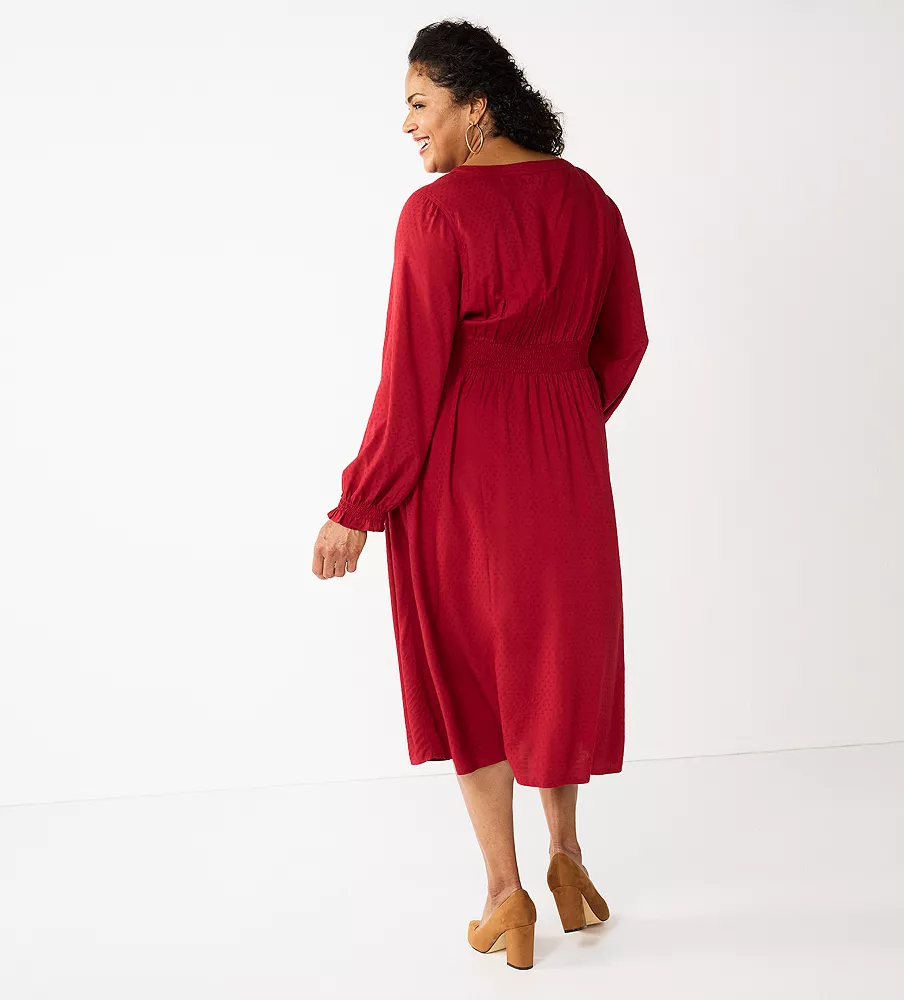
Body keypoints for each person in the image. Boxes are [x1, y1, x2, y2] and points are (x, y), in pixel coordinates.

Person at [311, 19, 648, 970]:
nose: (408, 125)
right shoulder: (589, 201)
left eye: (421, 104)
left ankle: (507, 895)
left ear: (476, 106)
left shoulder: (438, 214)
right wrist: (564, 420)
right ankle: (569, 861)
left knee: (474, 671)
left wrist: (357, 505)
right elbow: (624, 342)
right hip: (566, 467)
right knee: (554, 659)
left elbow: (411, 377)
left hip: (460, 470)